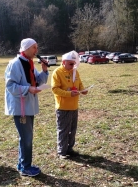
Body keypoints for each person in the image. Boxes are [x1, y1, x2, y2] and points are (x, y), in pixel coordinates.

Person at [5, 38, 49, 176]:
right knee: (26, 138)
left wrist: (44, 70)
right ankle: (26, 167)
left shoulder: (29, 63)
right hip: (21, 108)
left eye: (37, 47)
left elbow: (38, 81)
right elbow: (10, 86)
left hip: (29, 106)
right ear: (26, 49)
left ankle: (21, 164)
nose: (37, 50)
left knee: (25, 137)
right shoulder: (15, 64)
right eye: (34, 47)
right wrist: (28, 89)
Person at [51, 50, 88, 159]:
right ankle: (62, 151)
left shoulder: (75, 72)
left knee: (73, 129)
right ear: (64, 62)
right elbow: (55, 89)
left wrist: (83, 90)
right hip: (63, 107)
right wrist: (69, 94)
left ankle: (70, 149)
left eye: (74, 63)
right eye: (71, 64)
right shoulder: (57, 72)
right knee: (63, 129)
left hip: (74, 106)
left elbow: (79, 84)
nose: (73, 66)